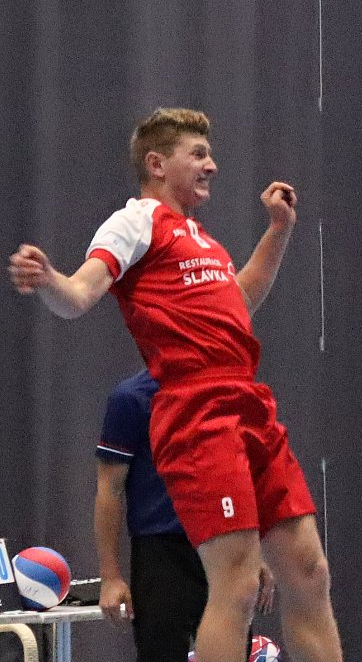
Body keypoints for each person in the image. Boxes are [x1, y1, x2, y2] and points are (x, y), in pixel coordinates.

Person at [9, 108, 343, 662]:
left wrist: (279, 231)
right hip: (196, 410)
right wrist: (50, 280)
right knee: (236, 585)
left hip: (249, 403)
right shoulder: (135, 222)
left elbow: (239, 304)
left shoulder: (205, 243)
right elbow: (78, 296)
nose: (212, 166)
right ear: (157, 164)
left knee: (310, 571)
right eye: (199, 155)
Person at [95, 368, 274, 661]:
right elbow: (109, 489)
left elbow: (241, 475)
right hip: (161, 554)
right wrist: (110, 576)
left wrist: (254, 550)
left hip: (222, 546)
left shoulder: (226, 391)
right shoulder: (132, 398)